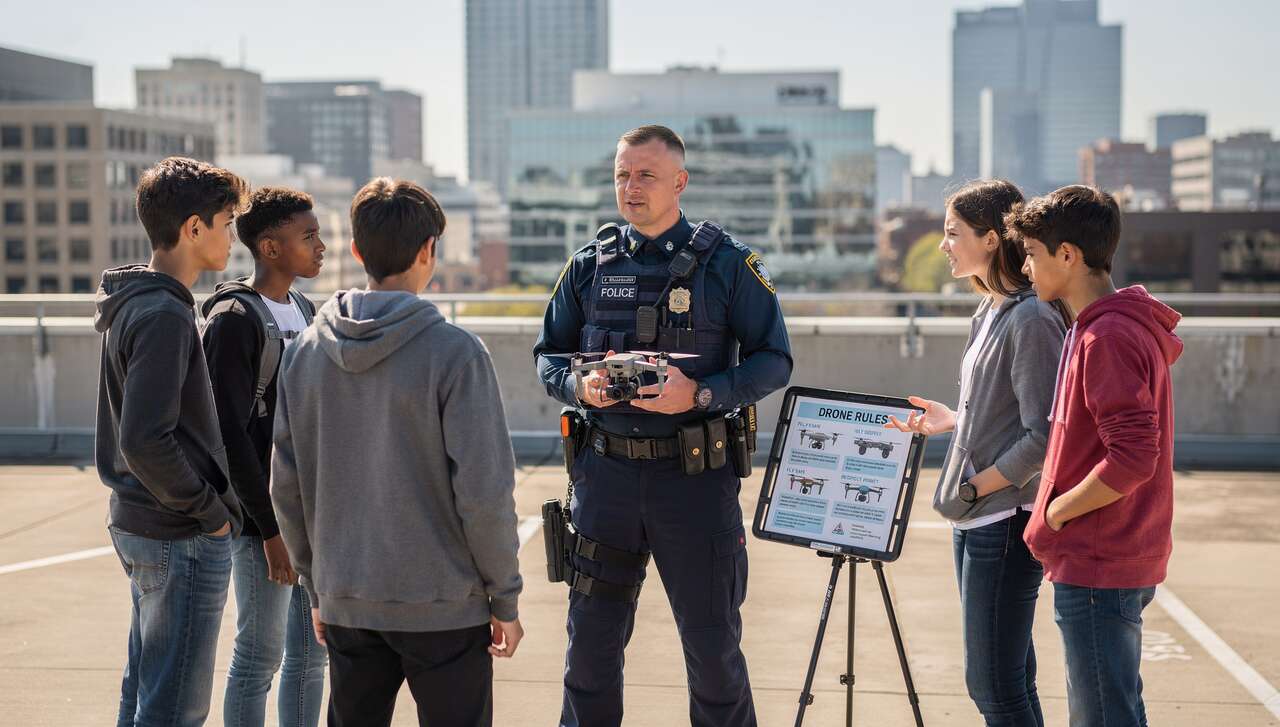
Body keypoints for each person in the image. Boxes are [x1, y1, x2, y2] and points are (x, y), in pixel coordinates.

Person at [533, 124, 793, 727]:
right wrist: (579, 386)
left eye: (646, 174)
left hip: (693, 481)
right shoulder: (588, 265)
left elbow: (774, 359)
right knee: (590, 654)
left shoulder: (728, 264)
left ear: (680, 181)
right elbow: (548, 354)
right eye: (622, 174)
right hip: (605, 481)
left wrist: (701, 393)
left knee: (713, 652)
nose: (631, 186)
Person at [271, 178, 523, 727]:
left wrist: (319, 587)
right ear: (430, 249)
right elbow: (484, 493)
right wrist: (504, 597)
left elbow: (285, 488)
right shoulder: (456, 353)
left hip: (346, 598)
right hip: (444, 607)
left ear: (357, 250)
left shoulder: (306, 352)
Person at [887, 180, 1067, 727]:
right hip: (975, 518)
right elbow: (1006, 412)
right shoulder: (989, 311)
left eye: (952, 233)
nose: (944, 245)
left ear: (991, 239)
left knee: (991, 684)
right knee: (1008, 679)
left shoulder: (1032, 318)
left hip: (1002, 519)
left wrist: (976, 486)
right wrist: (956, 420)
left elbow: (1044, 434)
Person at [1011, 185, 1182, 727]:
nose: (1025, 265)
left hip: (1098, 560)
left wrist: (1056, 512)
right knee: (1116, 709)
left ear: (1068, 255)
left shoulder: (1106, 335)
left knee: (1104, 716)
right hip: (1109, 557)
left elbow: (1133, 457)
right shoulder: (1100, 328)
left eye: (1033, 252)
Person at [94, 156, 248, 726]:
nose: (232, 236)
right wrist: (210, 513)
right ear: (193, 229)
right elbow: (144, 438)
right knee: (175, 707)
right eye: (227, 222)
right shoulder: (164, 314)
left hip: (144, 524)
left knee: (146, 693)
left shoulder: (138, 302)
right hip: (175, 532)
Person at [200, 186, 327, 727]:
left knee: (312, 654)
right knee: (260, 655)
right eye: (309, 236)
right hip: (262, 527)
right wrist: (271, 532)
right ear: (271, 248)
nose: (321, 246)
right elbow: (228, 437)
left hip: (313, 518)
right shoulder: (234, 319)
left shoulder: (306, 308)